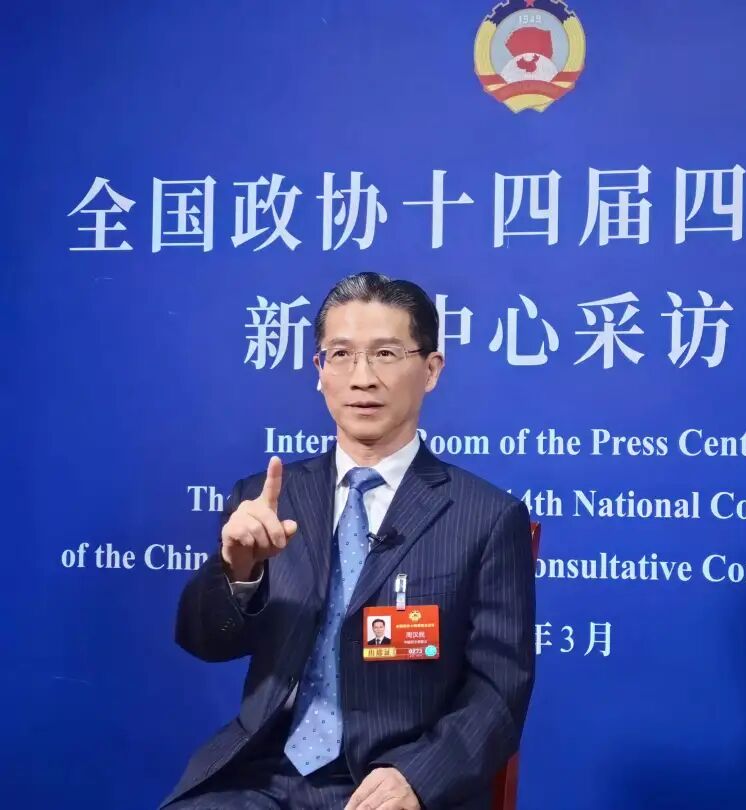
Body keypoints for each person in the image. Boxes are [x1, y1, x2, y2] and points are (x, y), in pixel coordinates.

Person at [161, 273, 536, 810]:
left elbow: (498, 691)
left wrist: (417, 778)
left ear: (431, 370)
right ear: (320, 372)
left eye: (386, 353)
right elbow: (204, 642)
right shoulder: (267, 498)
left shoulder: (486, 517)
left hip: (390, 783)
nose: (363, 378)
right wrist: (237, 572)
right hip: (262, 778)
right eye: (340, 355)